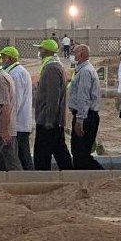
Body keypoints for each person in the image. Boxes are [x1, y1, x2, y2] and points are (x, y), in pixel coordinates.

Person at [33, 39, 73, 170]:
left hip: (48, 121)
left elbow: (52, 97)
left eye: (41, 49)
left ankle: (45, 180)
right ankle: (70, 177)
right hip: (50, 120)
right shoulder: (52, 66)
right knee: (59, 151)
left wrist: (49, 120)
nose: (39, 52)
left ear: (46, 51)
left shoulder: (51, 68)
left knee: (42, 155)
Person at [67, 45, 103, 170]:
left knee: (80, 154)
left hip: (86, 116)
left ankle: (103, 177)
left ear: (81, 54)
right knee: (79, 152)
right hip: (85, 115)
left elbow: (83, 97)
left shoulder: (85, 72)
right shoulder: (82, 70)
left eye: (75, 52)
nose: (73, 54)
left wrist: (80, 120)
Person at [0, 46, 34, 170]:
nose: (1, 60)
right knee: (20, 154)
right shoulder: (15, 71)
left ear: (9, 59)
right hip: (18, 123)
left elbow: (15, 101)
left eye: (3, 57)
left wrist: (8, 122)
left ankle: (29, 181)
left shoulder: (16, 73)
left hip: (18, 123)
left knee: (22, 155)